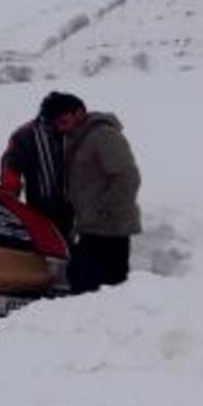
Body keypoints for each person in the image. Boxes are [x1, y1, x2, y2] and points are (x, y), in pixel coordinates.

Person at [42, 91, 142, 294]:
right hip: (93, 227)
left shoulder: (103, 135)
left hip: (110, 230)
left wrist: (104, 212)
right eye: (56, 124)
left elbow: (127, 177)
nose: (60, 128)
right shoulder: (79, 137)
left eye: (63, 121)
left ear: (79, 113)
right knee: (84, 284)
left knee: (101, 288)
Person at [0, 97, 73, 238]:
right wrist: (10, 197)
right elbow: (10, 168)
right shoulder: (24, 135)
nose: (58, 127)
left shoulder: (72, 129)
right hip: (40, 206)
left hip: (75, 205)